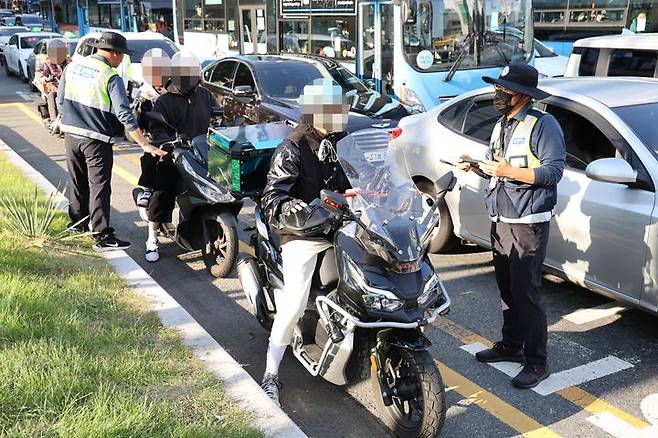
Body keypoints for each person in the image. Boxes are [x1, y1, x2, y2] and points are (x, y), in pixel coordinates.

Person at [458, 63, 566, 389]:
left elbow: (553, 172)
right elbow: (499, 169)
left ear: (519, 95)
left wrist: (508, 172)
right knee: (507, 289)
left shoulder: (543, 125)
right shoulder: (503, 124)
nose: (497, 94)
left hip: (527, 225)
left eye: (502, 90)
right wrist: (478, 168)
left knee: (526, 293)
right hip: (501, 219)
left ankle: (536, 361)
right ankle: (510, 344)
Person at [259, 78, 351, 406]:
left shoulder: (343, 140)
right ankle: (271, 372)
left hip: (340, 226)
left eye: (343, 108)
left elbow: (363, 174)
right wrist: (287, 205)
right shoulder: (292, 147)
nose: (342, 115)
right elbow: (272, 195)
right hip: (302, 232)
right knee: (294, 303)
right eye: (334, 110)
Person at [57, 31, 166, 251]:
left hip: (71, 135)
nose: (123, 60)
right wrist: (144, 143)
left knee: (77, 181)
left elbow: (60, 100)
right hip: (96, 139)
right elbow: (124, 114)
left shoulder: (72, 67)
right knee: (99, 186)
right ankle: (102, 235)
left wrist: (70, 122)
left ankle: (77, 225)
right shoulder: (110, 76)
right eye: (123, 55)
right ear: (115, 54)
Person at [140, 52, 215, 262]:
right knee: (162, 192)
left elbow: (218, 118)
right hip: (174, 156)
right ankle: (152, 238)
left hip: (202, 154)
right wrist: (169, 143)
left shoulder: (205, 95)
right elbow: (156, 130)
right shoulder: (164, 100)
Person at [134, 48, 171, 208]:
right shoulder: (144, 92)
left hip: (175, 133)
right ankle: (147, 190)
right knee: (150, 157)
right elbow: (136, 122)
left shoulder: (173, 86)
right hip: (154, 136)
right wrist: (141, 106)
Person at [37, 39, 68, 132]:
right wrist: (44, 79)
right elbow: (42, 75)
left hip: (68, 87)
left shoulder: (70, 62)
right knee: (51, 95)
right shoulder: (47, 63)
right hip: (54, 87)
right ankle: (54, 120)